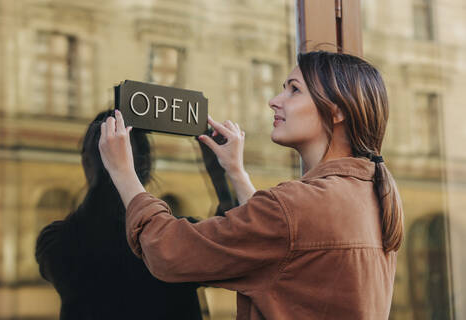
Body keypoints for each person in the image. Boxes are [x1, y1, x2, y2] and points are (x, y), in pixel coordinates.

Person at [98, 51, 404, 319]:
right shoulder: (373, 192)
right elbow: (287, 248)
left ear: (337, 110)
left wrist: (124, 173)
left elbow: (167, 251)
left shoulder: (297, 206)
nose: (274, 101)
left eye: (294, 90)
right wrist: (235, 172)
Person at [35, 110, 205, 320]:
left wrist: (108, 174)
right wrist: (223, 179)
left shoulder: (58, 241)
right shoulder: (177, 240)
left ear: (87, 164)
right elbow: (232, 250)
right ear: (146, 164)